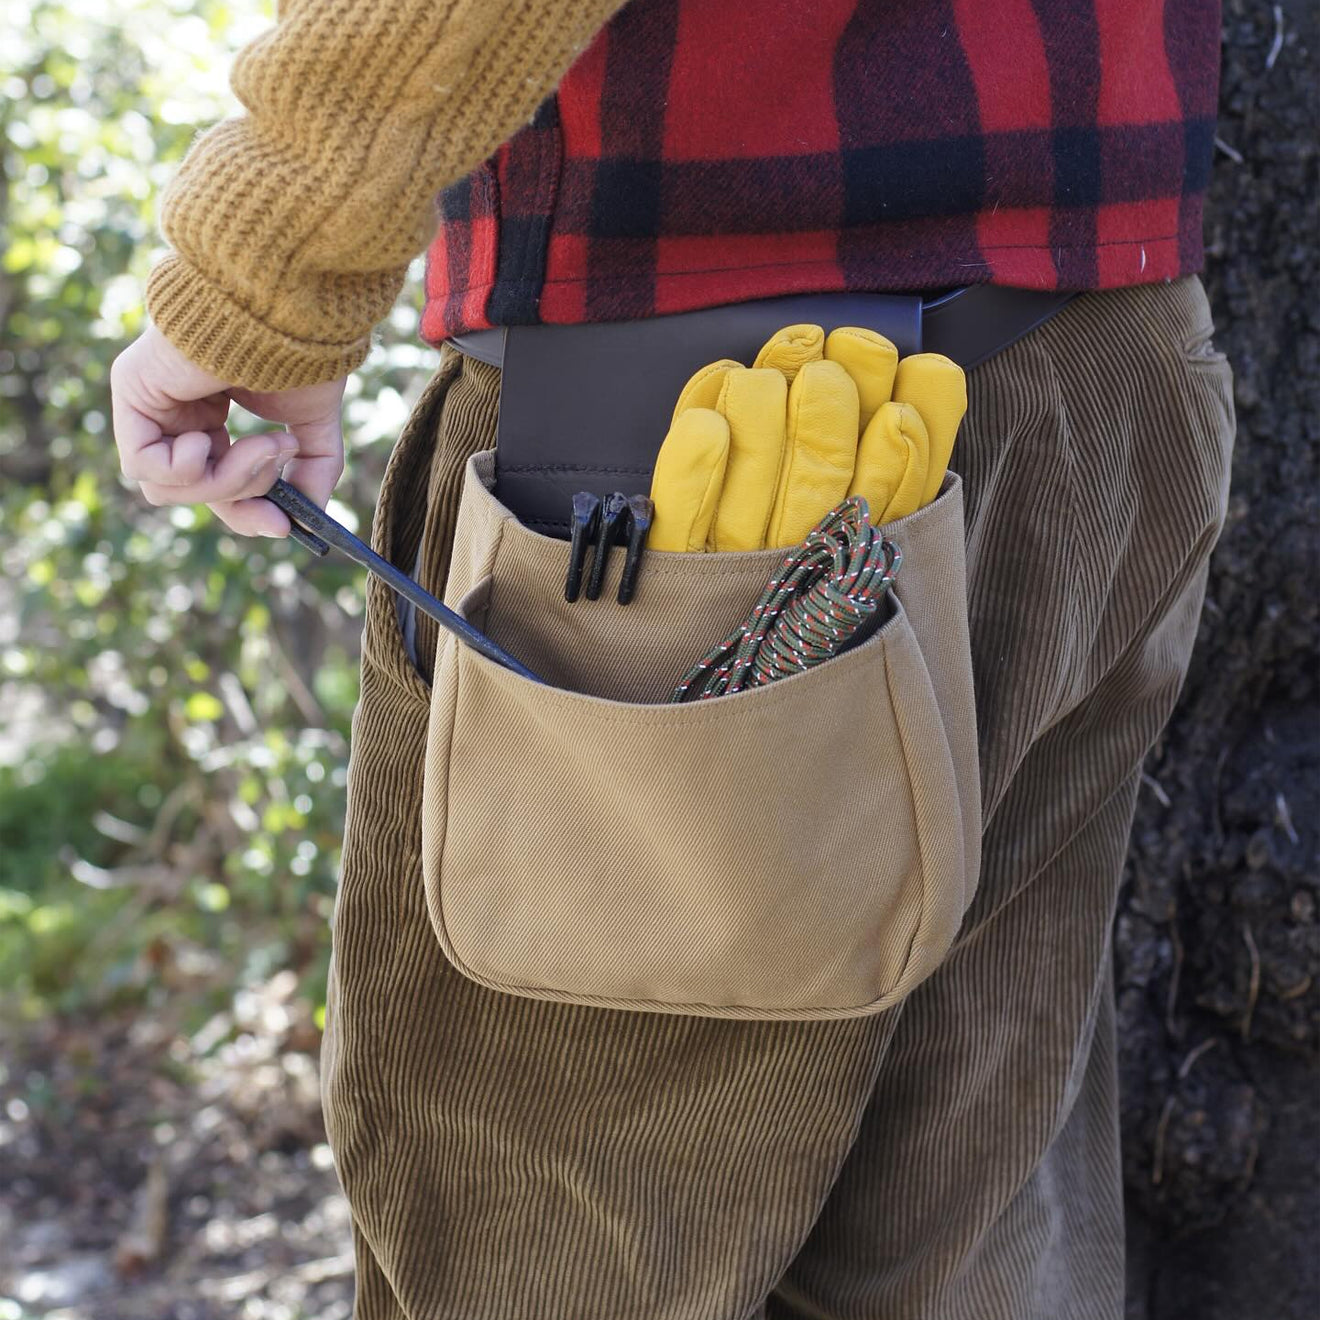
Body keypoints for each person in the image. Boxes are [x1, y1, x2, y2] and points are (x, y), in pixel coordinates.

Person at [111, 2, 1234, 1316]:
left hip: (686, 393)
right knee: (966, 1240)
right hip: (1103, 360)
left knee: (548, 1262)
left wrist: (262, 277)